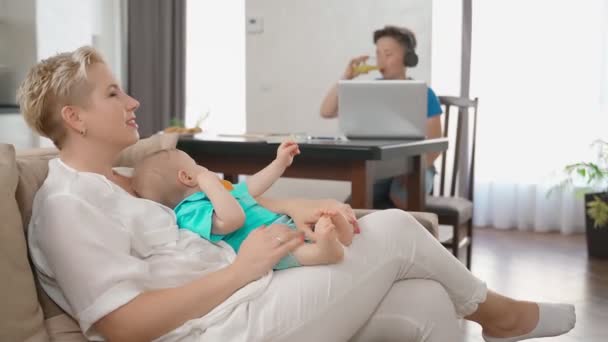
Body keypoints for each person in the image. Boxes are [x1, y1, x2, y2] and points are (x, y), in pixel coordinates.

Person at [20, 46, 575, 341]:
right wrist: (243, 270)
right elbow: (122, 326)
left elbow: (214, 215)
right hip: (220, 329)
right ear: (75, 118)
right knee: (398, 229)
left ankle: (495, 318)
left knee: (429, 302)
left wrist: (294, 219)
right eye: (114, 92)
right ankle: (503, 315)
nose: (133, 100)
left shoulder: (126, 180)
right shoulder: (67, 205)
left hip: (248, 299)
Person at [132, 142, 354, 270]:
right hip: (271, 247)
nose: (204, 169)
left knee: (331, 233)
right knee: (304, 252)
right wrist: (210, 184)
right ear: (187, 177)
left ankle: (338, 235)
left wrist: (278, 164)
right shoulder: (189, 212)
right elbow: (232, 220)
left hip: (281, 226)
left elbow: (252, 186)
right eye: (197, 165)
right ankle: (325, 251)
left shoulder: (218, 192)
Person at [320, 25, 442, 209]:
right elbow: (326, 111)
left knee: (400, 196)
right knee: (352, 206)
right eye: (378, 54)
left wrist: (414, 169)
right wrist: (346, 76)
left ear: (408, 58)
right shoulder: (369, 91)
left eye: (388, 54)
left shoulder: (424, 94)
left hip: (419, 166)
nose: (380, 60)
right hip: (380, 168)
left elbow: (435, 145)